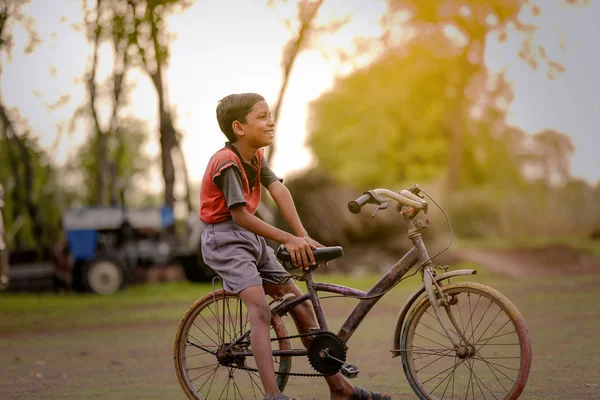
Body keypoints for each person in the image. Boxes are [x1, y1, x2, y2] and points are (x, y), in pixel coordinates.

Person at [199, 93, 391, 400]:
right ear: (239, 127)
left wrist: (302, 234)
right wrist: (287, 238)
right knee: (260, 311)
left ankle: (340, 389)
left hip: (251, 239)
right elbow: (240, 215)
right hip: (225, 240)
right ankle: (272, 395)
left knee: (300, 307)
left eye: (270, 115)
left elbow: (278, 190)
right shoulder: (227, 162)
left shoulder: (256, 158)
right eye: (261, 116)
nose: (270, 121)